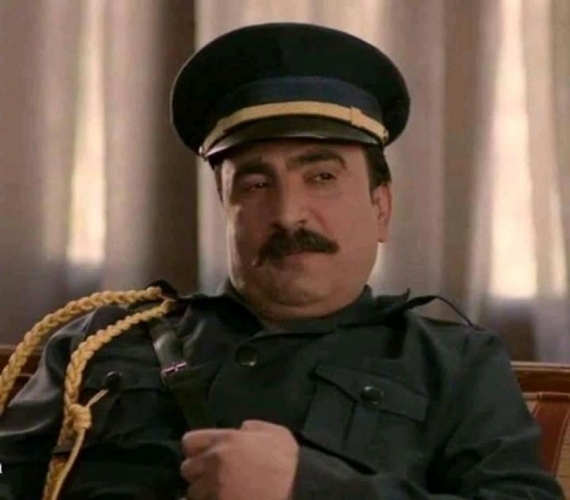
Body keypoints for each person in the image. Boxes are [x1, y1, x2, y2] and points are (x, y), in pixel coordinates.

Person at [0, 22, 563, 500]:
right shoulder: (99, 340)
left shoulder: (454, 365)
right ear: (225, 206)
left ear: (381, 208)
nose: (289, 214)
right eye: (255, 183)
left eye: (322, 176)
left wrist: (310, 487)